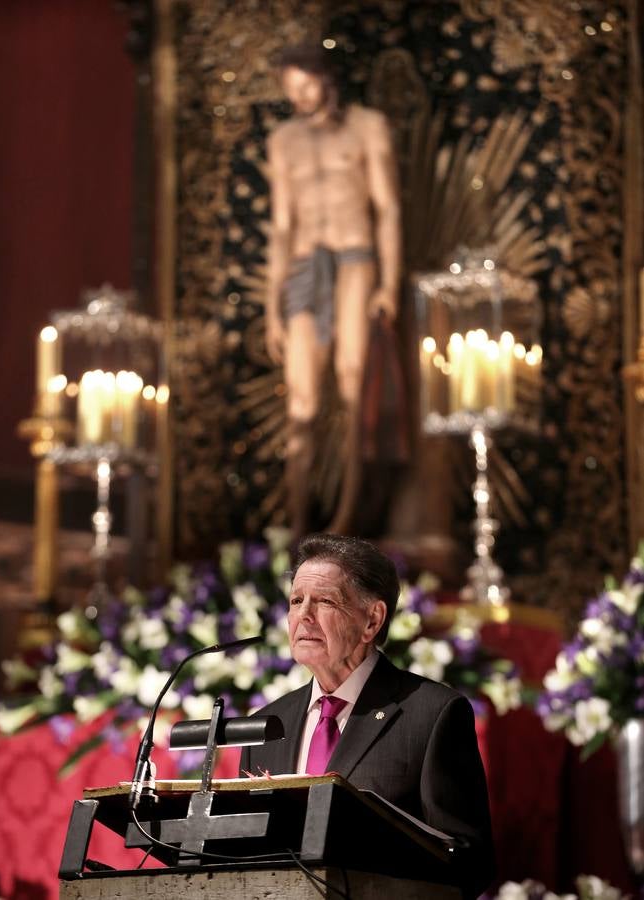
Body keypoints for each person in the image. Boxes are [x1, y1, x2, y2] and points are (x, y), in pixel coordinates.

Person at [240, 533, 495, 898]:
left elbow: (471, 862)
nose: (304, 616)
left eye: (324, 601)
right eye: (297, 601)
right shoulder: (267, 724)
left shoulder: (431, 714)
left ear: (372, 621)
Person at [265, 46, 402, 537]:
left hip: (354, 260)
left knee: (350, 386)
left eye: (304, 86)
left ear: (325, 78)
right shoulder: (283, 140)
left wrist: (389, 282)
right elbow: (281, 227)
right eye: (290, 91)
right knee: (300, 403)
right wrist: (271, 308)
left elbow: (386, 208)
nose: (298, 98)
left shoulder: (367, 126)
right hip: (304, 265)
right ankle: (297, 527)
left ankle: (345, 523)